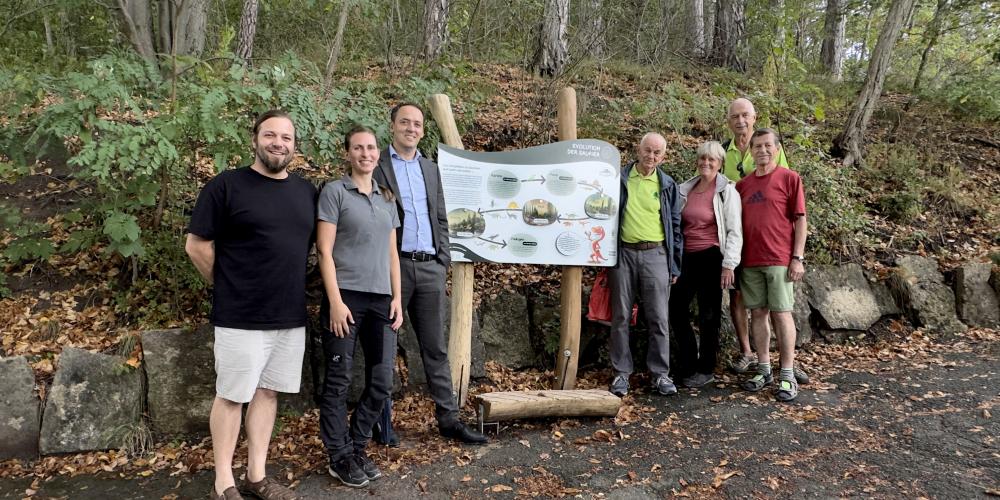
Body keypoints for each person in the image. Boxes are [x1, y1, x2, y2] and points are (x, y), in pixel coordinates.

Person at [186, 109, 316, 500]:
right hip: (240, 316)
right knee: (231, 395)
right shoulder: (225, 187)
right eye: (270, 135)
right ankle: (223, 481)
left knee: (269, 393)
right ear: (255, 139)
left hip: (289, 315)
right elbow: (197, 245)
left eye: (286, 138)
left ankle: (256, 476)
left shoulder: (306, 192)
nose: (278, 143)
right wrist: (227, 286)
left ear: (295, 146)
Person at [371, 103, 487, 444]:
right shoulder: (376, 165)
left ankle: (448, 419)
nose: (411, 128)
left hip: (430, 269)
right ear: (392, 126)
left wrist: (443, 260)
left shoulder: (431, 169)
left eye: (417, 124)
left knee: (435, 348)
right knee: (384, 348)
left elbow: (441, 216)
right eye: (404, 122)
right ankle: (382, 423)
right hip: (393, 269)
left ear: (423, 130)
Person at [316, 125, 403, 488]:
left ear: (377, 154)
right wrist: (335, 302)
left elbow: (392, 252)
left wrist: (398, 297)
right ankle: (339, 456)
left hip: (382, 300)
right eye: (358, 148)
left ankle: (356, 446)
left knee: (382, 379)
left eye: (370, 148)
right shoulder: (334, 192)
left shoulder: (386, 198)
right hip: (346, 297)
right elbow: (324, 250)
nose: (365, 153)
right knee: (338, 380)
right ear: (348, 153)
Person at [722, 98, 807, 385]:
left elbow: (800, 219)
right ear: (751, 150)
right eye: (758, 146)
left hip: (779, 257)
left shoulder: (789, 178)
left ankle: (787, 372)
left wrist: (797, 257)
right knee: (757, 313)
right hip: (749, 259)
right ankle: (764, 368)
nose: (762, 150)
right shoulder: (742, 185)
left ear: (776, 149)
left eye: (768, 146)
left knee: (782, 314)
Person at [607, 132, 683, 397]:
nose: (651, 157)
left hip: (657, 254)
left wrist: (674, 265)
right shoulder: (619, 179)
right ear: (638, 150)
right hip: (623, 254)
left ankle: (660, 375)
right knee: (620, 317)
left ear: (663, 156)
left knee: (659, 318)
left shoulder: (667, 184)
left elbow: (675, 226)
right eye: (647, 151)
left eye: (657, 153)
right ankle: (621, 374)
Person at [669, 141, 742, 388]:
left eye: (712, 160)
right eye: (703, 159)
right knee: (676, 309)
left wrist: (729, 264)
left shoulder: (726, 191)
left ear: (720, 164)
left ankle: (706, 367)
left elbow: (734, 230)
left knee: (709, 315)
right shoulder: (685, 189)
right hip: (687, 257)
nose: (706, 163)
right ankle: (688, 363)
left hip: (712, 257)